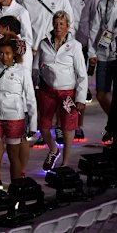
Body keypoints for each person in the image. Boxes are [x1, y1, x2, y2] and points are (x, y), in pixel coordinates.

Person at [35, 11, 87, 169]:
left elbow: (82, 74)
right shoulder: (44, 43)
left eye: (62, 24)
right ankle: (53, 149)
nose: (58, 27)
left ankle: (65, 162)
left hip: (67, 93)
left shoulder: (75, 46)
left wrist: (80, 98)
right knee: (43, 126)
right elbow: (35, 67)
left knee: (68, 127)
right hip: (48, 91)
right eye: (56, 23)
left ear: (68, 26)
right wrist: (36, 85)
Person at [0, 35, 36, 186]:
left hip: (15, 117)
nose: (4, 57)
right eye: (1, 53)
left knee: (13, 155)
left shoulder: (23, 71)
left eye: (7, 53)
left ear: (14, 54)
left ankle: (16, 189)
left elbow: (30, 98)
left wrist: (33, 124)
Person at [88, 0, 117, 115]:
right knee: (100, 94)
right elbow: (94, 29)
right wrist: (91, 52)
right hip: (104, 53)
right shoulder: (102, 4)